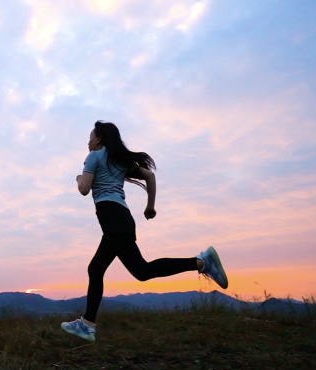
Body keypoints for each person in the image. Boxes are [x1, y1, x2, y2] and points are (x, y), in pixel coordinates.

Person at [60, 121, 228, 342]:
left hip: (114, 221)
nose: (88, 140)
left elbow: (84, 190)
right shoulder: (118, 161)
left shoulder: (94, 156)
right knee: (96, 268)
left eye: (91, 136)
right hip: (120, 220)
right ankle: (87, 325)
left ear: (99, 139)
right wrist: (150, 206)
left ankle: (201, 261)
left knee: (142, 271)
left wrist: (79, 178)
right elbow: (150, 175)